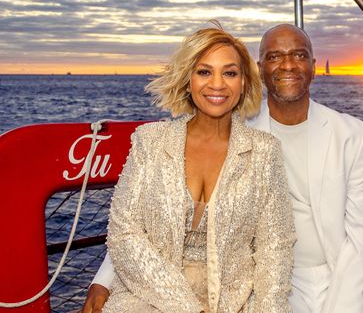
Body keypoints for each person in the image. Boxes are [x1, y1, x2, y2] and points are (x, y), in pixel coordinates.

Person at [83, 24, 363, 313]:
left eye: (299, 55)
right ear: (259, 70)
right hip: (263, 279)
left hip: (330, 274)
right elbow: (141, 218)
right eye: (274, 56)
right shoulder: (237, 126)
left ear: (313, 66)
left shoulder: (349, 134)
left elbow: (362, 238)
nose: (287, 65)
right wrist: (103, 278)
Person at [98, 25, 295, 313]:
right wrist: (189, 309)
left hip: (236, 302)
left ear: (244, 83)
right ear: (188, 80)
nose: (217, 84)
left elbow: (274, 248)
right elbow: (123, 232)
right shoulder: (150, 141)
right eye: (204, 72)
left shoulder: (264, 151)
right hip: (150, 296)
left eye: (230, 73)